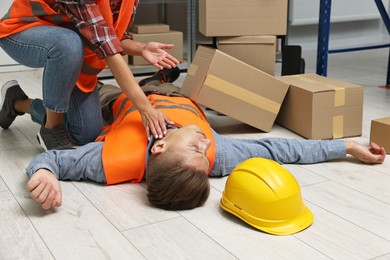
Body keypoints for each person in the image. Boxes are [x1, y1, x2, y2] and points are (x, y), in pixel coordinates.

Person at [25, 83, 387, 211]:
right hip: (173, 98)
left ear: (159, 147)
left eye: (195, 150)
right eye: (203, 151)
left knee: (79, 124)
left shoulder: (102, 163)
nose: (204, 141)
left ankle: (20, 104)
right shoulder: (220, 156)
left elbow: (52, 159)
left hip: (119, 100)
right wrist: (347, 147)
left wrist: (44, 173)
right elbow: (281, 150)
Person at [0, 0, 179, 150]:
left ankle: (16, 103)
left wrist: (141, 48)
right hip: (22, 29)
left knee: (84, 133)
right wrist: (146, 109)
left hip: (71, 47)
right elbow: (107, 48)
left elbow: (112, 35)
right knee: (67, 44)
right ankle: (51, 129)